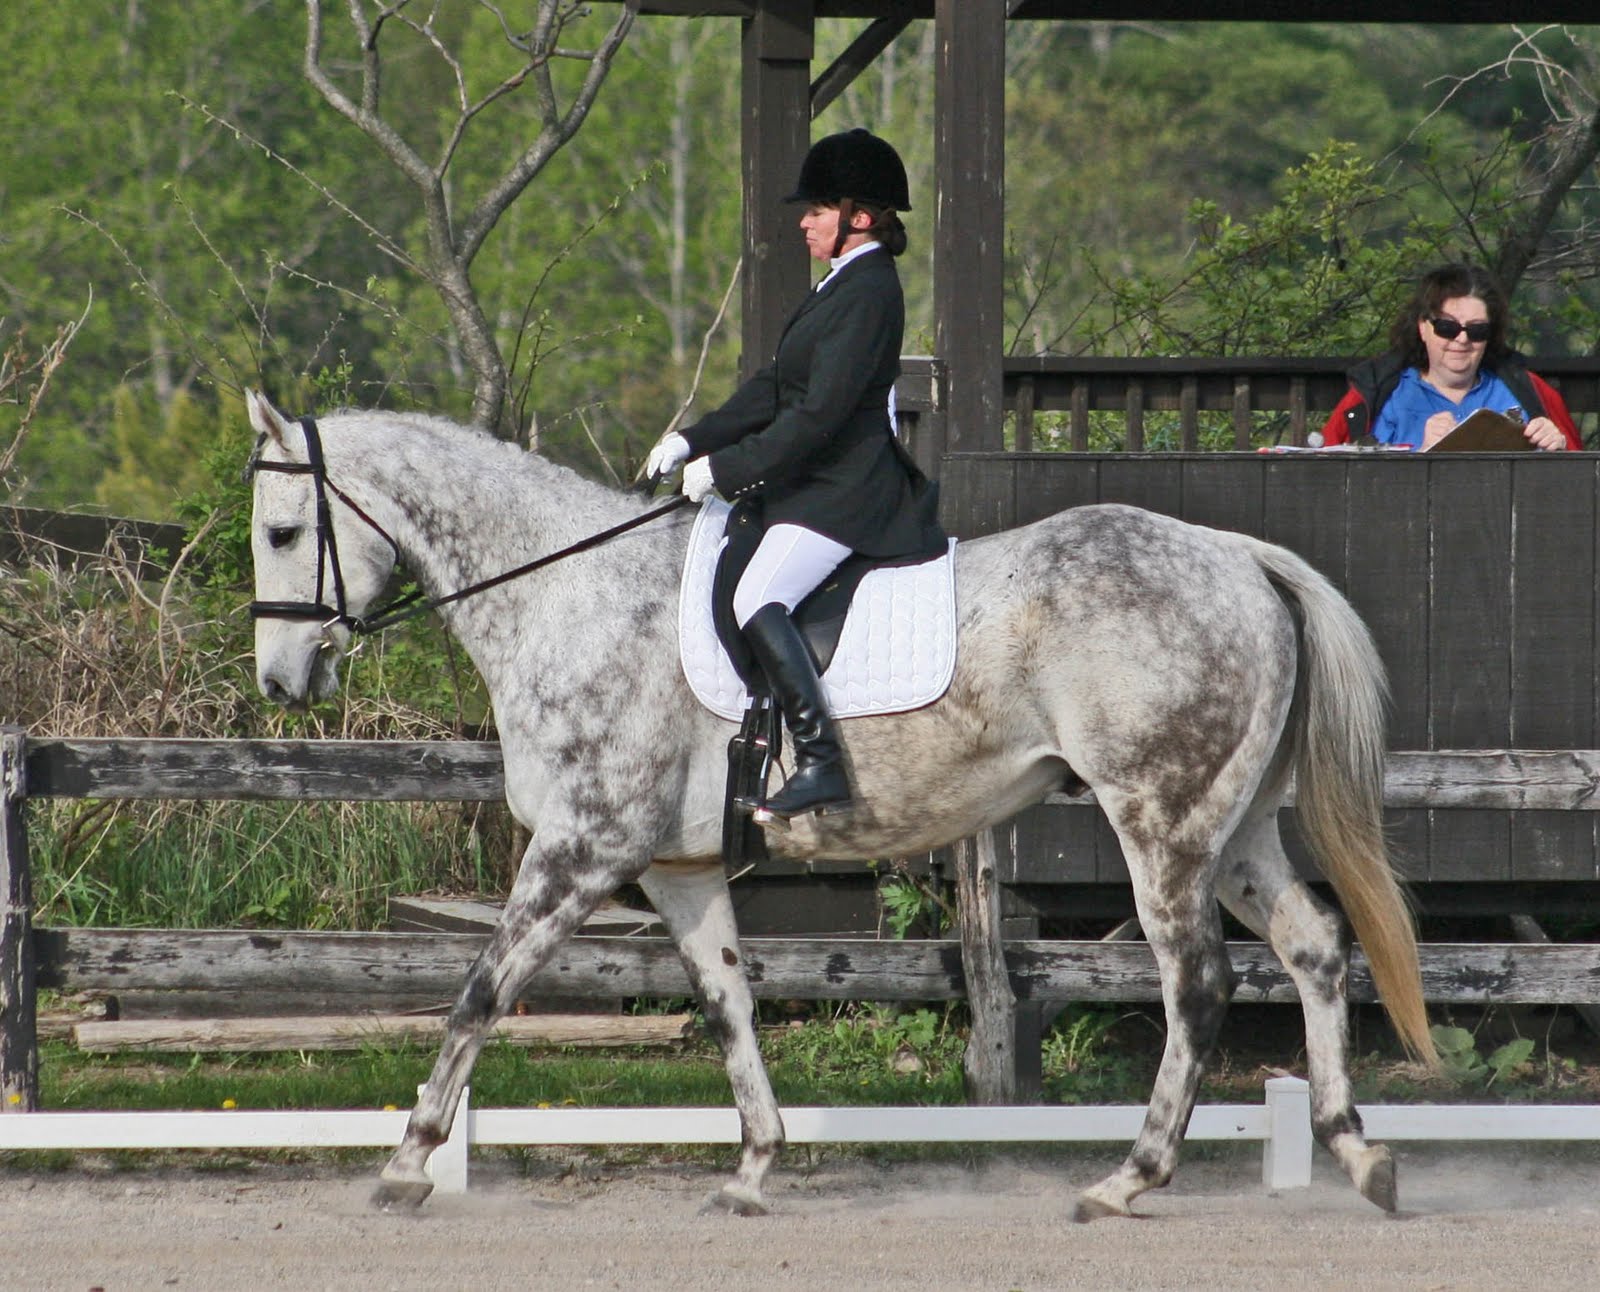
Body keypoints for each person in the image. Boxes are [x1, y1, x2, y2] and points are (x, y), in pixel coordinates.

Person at [644, 127, 946, 821]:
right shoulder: (840, 285)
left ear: (859, 218)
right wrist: (693, 439)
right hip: (816, 484)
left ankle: (820, 761)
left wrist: (728, 469)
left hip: (847, 492)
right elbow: (774, 387)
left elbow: (819, 417)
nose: (804, 222)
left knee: (758, 598)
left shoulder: (869, 291)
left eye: (815, 210)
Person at [1319, 262, 1581, 452]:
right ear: (1423, 327)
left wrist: (1560, 449)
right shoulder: (1378, 391)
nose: (1462, 340)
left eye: (1477, 330)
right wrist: (1422, 455)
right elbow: (1332, 478)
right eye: (1448, 328)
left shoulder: (1529, 390)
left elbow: (1584, 482)